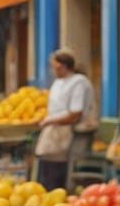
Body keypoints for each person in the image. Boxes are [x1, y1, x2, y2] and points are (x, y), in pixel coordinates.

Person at [34, 49, 97, 190]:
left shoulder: (79, 82)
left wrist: (51, 121)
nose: (52, 70)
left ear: (62, 66)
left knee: (59, 168)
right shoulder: (58, 82)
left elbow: (75, 113)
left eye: (54, 66)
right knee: (46, 163)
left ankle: (60, 190)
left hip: (74, 132)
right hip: (56, 129)